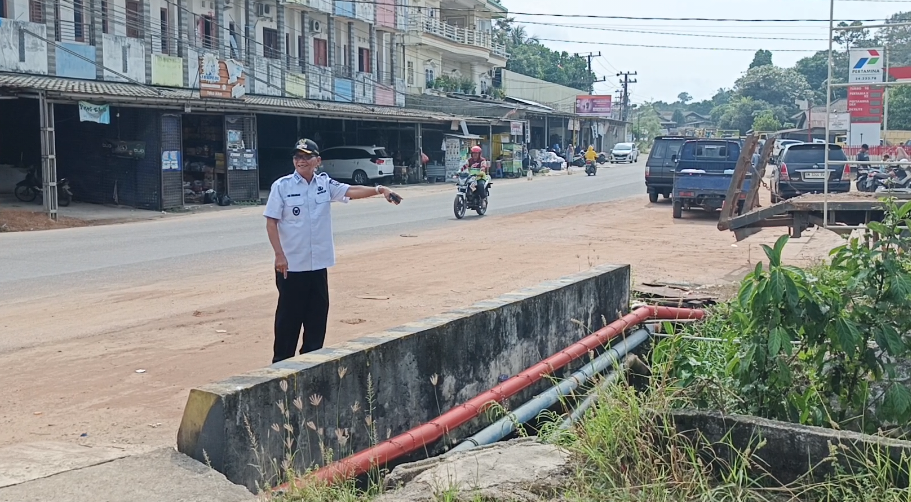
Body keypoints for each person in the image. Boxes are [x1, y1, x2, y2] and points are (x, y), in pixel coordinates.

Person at [264, 139, 402, 364]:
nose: (301, 161)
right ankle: (281, 369)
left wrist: (380, 189)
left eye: (306, 157)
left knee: (316, 321)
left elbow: (351, 190)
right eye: (297, 157)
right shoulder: (282, 186)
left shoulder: (324, 184)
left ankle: (310, 365)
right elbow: (271, 222)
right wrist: (279, 255)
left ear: (317, 161)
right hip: (291, 267)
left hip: (318, 267)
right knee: (288, 322)